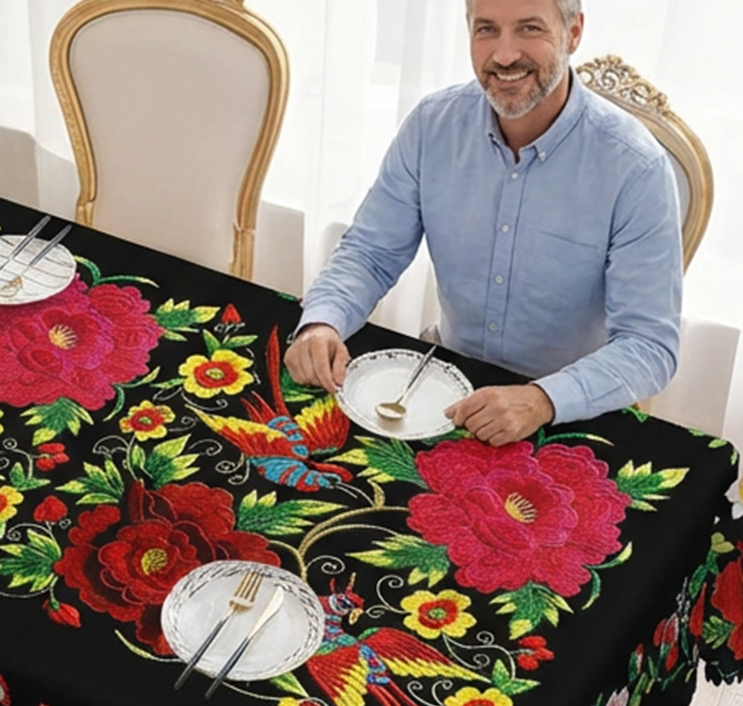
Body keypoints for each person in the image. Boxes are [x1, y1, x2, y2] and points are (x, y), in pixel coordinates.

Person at [284, 0, 682, 446]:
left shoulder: (636, 168)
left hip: (570, 414)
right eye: (487, 29)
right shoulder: (431, 127)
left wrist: (543, 399)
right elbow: (371, 253)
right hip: (441, 391)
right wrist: (323, 321)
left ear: (573, 33)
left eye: (529, 29)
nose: (505, 55)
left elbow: (649, 346)